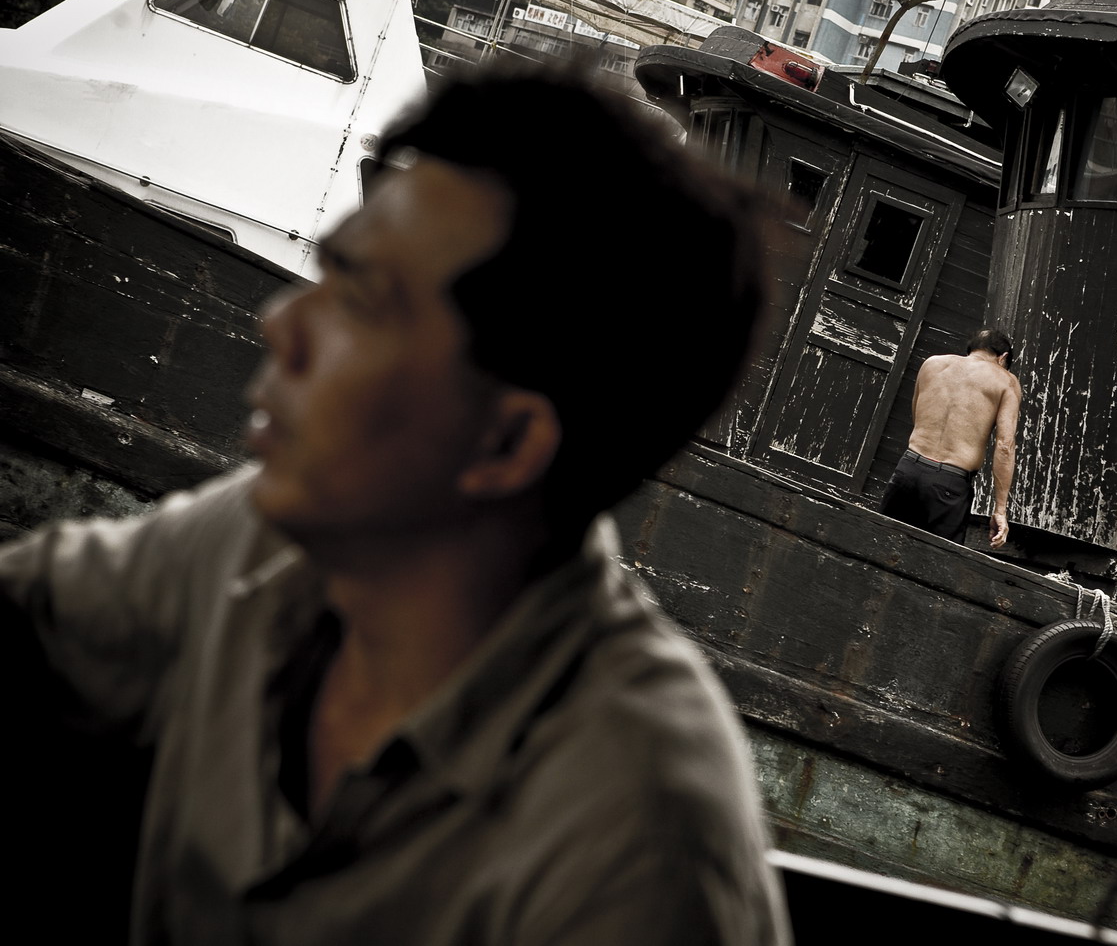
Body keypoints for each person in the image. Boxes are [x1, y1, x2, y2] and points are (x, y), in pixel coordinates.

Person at [0, 63, 790, 945]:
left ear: (506, 445)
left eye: (361, 299)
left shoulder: (636, 847)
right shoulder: (263, 550)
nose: (282, 324)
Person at [878, 328, 1022, 547]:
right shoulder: (1006, 381)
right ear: (1003, 358)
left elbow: (918, 416)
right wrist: (1000, 510)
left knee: (881, 544)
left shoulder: (932, 364)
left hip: (908, 469)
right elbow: (1004, 446)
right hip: (949, 483)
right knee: (937, 560)